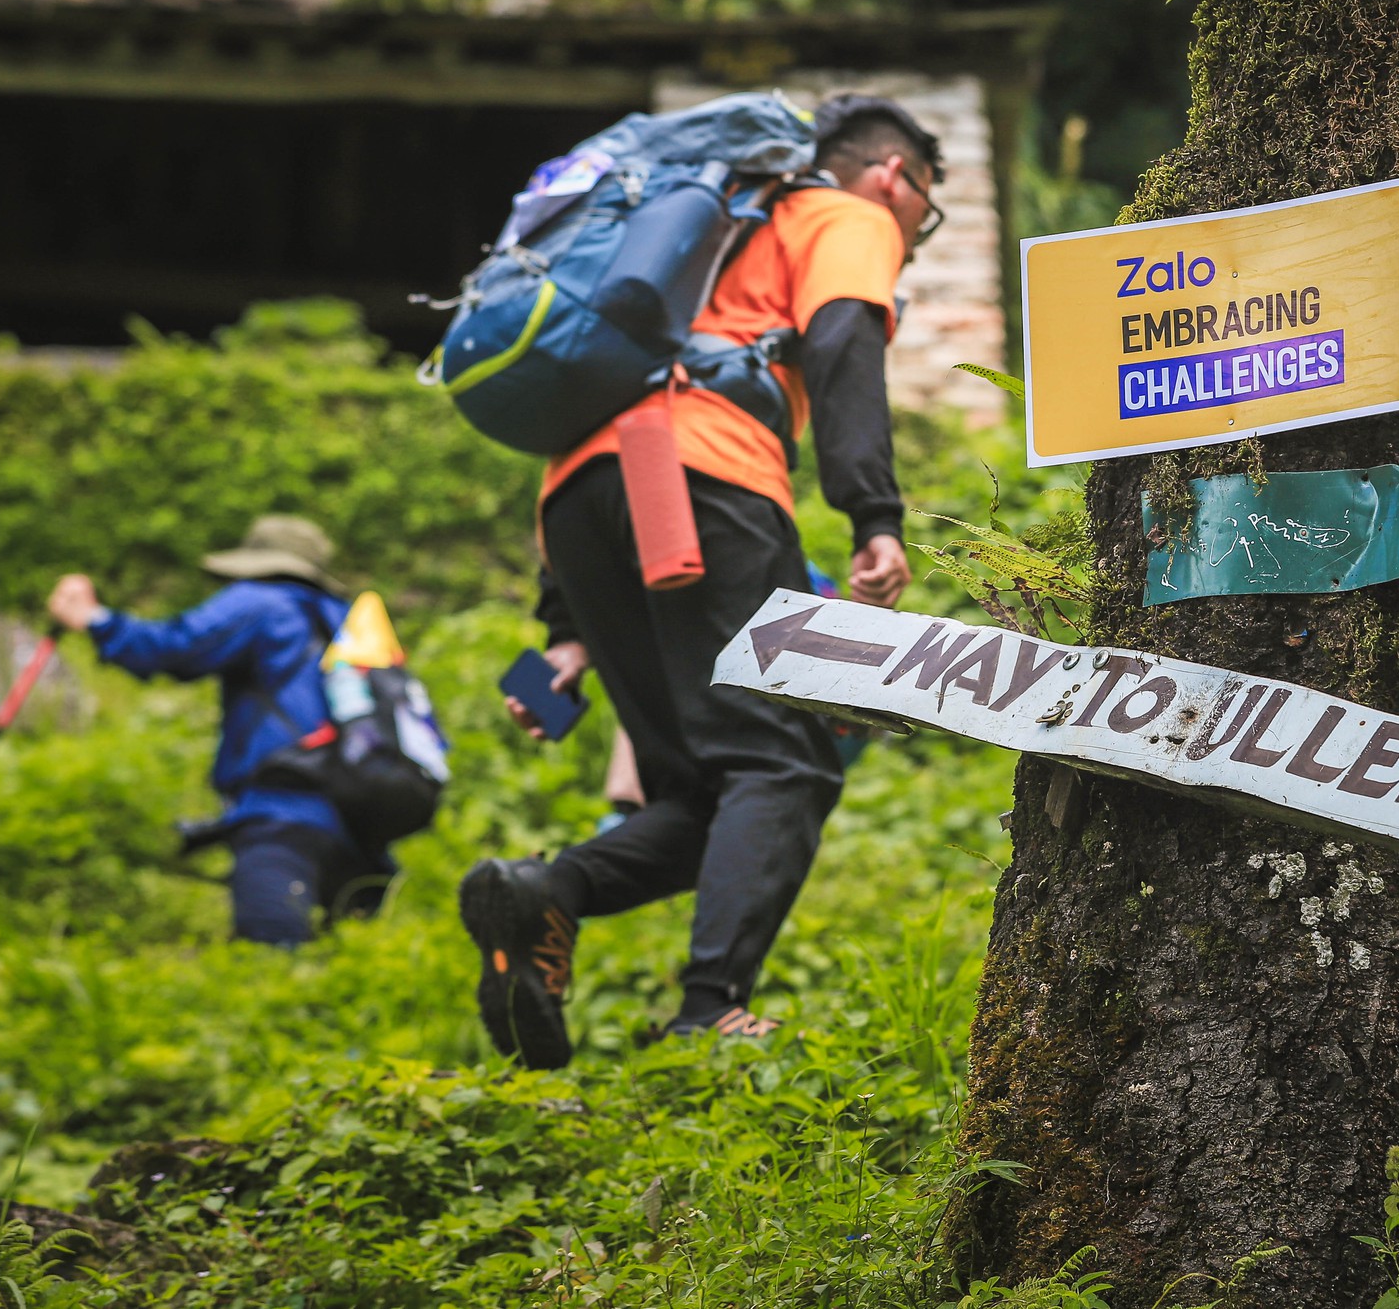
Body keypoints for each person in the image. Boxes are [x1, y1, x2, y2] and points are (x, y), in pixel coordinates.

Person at [467, 93, 938, 1064]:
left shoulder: (708, 228)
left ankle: (548, 895)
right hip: (701, 472)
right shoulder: (841, 214)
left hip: (578, 498)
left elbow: (594, 418)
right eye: (920, 206)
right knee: (783, 758)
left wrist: (563, 626)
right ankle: (710, 1009)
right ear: (892, 176)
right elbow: (846, 343)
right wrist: (874, 517)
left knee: (695, 785)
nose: (912, 229)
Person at [46, 515, 393, 947]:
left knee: (268, 965)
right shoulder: (352, 622)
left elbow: (174, 648)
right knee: (340, 978)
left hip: (281, 817)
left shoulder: (262, 602)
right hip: (364, 829)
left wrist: (94, 619)